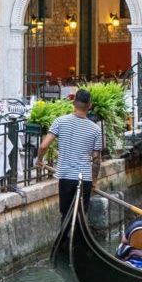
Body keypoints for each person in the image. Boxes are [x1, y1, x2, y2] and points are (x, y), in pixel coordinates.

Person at [40, 88, 107, 221]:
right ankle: (77, 239)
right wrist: (94, 181)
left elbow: (43, 146)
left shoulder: (60, 121)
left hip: (65, 177)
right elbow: (96, 160)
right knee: (81, 216)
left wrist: (39, 160)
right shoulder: (96, 130)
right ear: (90, 106)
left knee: (66, 215)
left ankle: (66, 238)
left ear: (74, 103)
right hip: (85, 179)